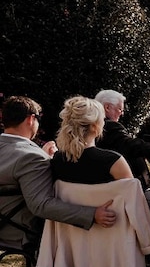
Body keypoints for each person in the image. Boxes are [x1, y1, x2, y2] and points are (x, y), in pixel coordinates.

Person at [0, 96, 117, 253]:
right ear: (30, 119)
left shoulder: (27, 155)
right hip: (18, 232)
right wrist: (92, 214)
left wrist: (44, 158)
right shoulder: (32, 157)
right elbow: (41, 205)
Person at [51, 96, 134, 184]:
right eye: (103, 119)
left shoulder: (58, 160)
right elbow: (132, 195)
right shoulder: (114, 162)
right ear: (95, 127)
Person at [95, 89, 150, 184]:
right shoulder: (110, 126)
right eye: (119, 109)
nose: (122, 113)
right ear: (107, 107)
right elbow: (131, 145)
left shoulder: (89, 127)